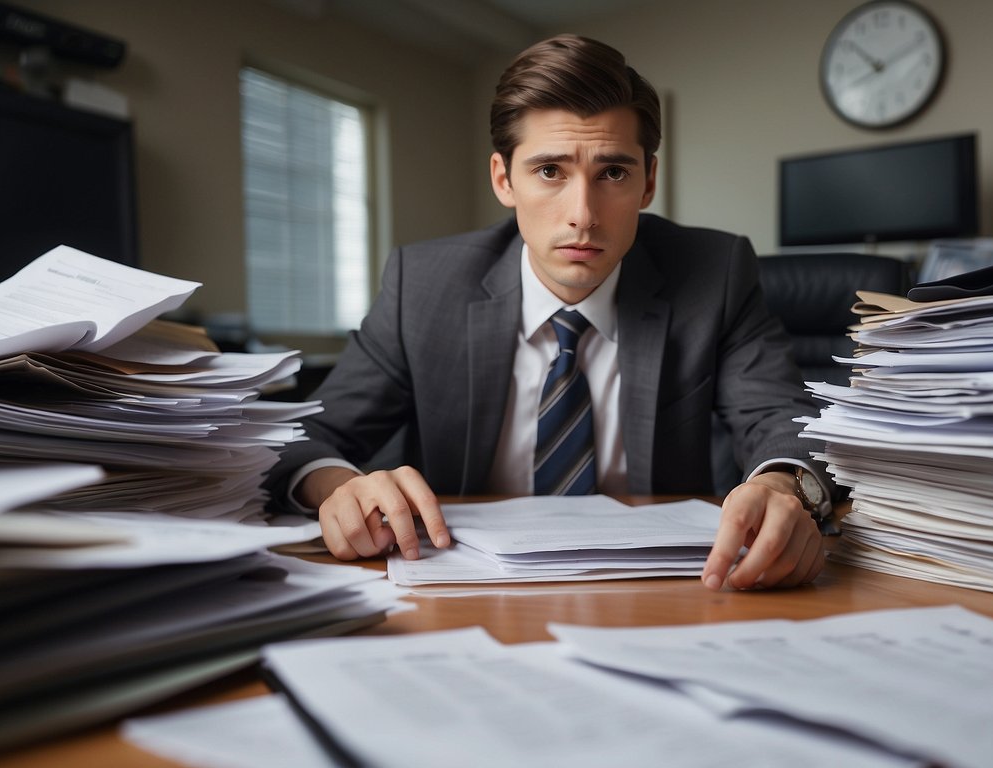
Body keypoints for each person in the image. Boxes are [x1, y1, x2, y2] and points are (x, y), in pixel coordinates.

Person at [265, 34, 836, 591]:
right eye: (549, 171)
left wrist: (784, 485)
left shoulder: (716, 272)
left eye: (613, 172)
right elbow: (302, 435)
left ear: (648, 182)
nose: (582, 214)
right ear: (502, 179)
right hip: (460, 583)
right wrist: (339, 486)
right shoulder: (425, 285)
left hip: (660, 586)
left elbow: (782, 418)